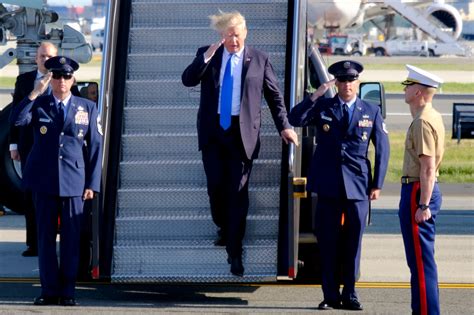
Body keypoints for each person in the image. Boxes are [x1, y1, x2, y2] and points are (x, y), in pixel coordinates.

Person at [181, 10, 298, 277]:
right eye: (228, 35)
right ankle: (223, 226)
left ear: (245, 33)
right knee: (215, 189)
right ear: (221, 36)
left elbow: (275, 97)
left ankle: (235, 251)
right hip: (213, 134)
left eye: (237, 34)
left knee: (238, 193)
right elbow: (187, 80)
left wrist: (285, 127)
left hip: (241, 134)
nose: (234, 40)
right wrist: (206, 57)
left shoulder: (259, 59)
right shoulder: (208, 54)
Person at [288, 60, 389, 311]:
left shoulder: (371, 110)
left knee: (353, 243)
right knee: (328, 243)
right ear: (336, 83)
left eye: (352, 80)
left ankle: (351, 293)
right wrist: (317, 94)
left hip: (358, 186)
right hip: (328, 186)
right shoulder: (324, 106)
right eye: (342, 81)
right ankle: (330, 295)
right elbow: (295, 118)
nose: (347, 85)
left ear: (358, 82)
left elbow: (383, 150)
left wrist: (377, 184)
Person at [11, 56, 102, 306]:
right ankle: (49, 291)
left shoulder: (87, 107)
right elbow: (16, 121)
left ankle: (68, 292)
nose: (62, 81)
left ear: (73, 79)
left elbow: (95, 147)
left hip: (74, 181)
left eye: (66, 76)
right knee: (45, 239)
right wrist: (33, 93)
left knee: (72, 239)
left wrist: (92, 184)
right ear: (50, 78)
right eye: (57, 76)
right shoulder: (38, 104)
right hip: (44, 180)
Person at [399, 65, 444, 315]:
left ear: (418, 92)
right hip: (421, 188)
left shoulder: (423, 122)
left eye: (409, 86)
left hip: (419, 190)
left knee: (421, 263)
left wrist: (423, 205)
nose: (405, 90)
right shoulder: (430, 116)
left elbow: (427, 168)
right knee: (421, 262)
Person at [8, 41, 58, 257]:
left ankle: (53, 241)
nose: (45, 60)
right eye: (42, 56)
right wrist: (13, 144)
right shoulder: (24, 80)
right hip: (30, 145)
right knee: (30, 195)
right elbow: (14, 115)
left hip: (55, 148)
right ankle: (33, 244)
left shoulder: (63, 79)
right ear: (36, 58)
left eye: (48, 56)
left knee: (54, 196)